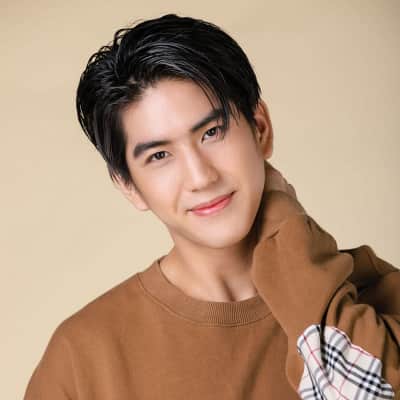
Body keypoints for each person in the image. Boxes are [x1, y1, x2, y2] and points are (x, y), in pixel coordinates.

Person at [24, 13, 400, 399]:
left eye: (212, 132)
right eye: (159, 156)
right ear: (129, 186)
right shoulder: (83, 356)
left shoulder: (373, 296)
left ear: (260, 128)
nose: (201, 176)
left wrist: (288, 232)